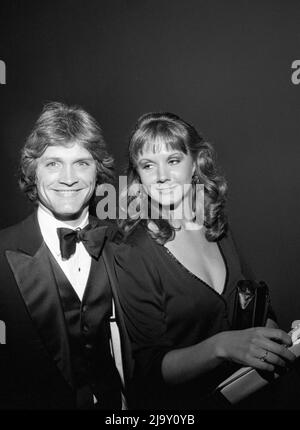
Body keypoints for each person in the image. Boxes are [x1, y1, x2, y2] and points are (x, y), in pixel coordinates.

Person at [113, 112, 297, 409]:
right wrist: (222, 346)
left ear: (194, 164)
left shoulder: (215, 225)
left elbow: (251, 304)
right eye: (148, 165)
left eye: (173, 161)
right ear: (138, 176)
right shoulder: (133, 252)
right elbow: (149, 369)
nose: (161, 176)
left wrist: (274, 337)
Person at [0, 102, 132, 410]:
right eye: (53, 164)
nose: (69, 178)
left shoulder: (122, 244)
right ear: (32, 171)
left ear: (98, 171)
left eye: (82, 163)